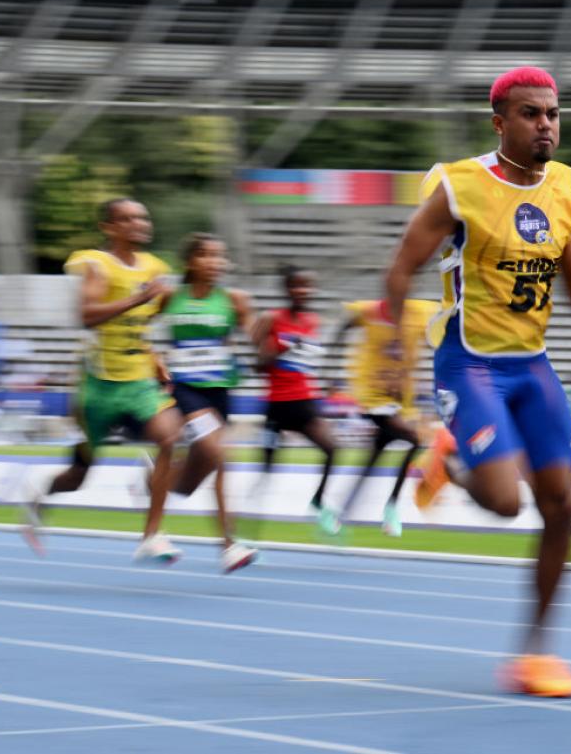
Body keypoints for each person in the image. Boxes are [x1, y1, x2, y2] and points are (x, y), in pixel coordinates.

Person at [384, 66, 571, 698]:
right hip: (469, 362)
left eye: (552, 114)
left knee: (561, 508)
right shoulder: (459, 187)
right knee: (504, 502)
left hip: (533, 366)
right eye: (530, 114)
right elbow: (400, 270)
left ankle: (535, 655)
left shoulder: (567, 189)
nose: (545, 124)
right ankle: (452, 460)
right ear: (500, 123)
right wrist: (391, 358)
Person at [22, 198, 184, 563]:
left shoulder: (155, 266)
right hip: (99, 385)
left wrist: (155, 356)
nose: (139, 223)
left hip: (139, 380)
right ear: (109, 228)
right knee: (80, 476)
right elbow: (87, 316)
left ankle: (152, 535)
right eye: (127, 219)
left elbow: (144, 322)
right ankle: (39, 490)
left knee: (170, 437)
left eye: (142, 216)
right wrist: (141, 296)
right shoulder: (97, 265)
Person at [160, 233, 259, 573]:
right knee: (219, 456)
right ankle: (228, 545)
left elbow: (255, 337)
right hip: (186, 389)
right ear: (189, 262)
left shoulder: (234, 300)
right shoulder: (170, 296)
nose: (215, 262)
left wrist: (268, 337)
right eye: (206, 256)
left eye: (220, 256)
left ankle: (152, 480)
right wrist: (151, 360)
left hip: (221, 390)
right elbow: (134, 328)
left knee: (192, 476)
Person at [326, 298, 439, 537]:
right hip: (374, 399)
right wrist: (330, 367)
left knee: (372, 461)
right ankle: (390, 509)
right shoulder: (370, 311)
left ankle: (336, 513)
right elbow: (343, 327)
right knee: (416, 440)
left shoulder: (419, 312)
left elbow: (441, 329)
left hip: (400, 404)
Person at [251, 265, 339, 533]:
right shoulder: (271, 319)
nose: (303, 291)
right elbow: (258, 365)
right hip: (277, 407)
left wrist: (323, 383)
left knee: (333, 449)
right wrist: (285, 350)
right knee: (266, 473)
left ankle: (317, 501)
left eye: (307, 286)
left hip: (304, 403)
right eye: (297, 285)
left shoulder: (314, 322)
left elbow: (307, 364)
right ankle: (249, 535)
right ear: (287, 289)